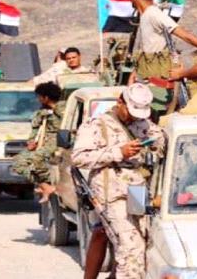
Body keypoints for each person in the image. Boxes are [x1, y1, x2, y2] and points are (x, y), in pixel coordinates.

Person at [72, 83, 167, 279]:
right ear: (120, 102)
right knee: (129, 246)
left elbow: (160, 141)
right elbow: (79, 157)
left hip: (136, 189)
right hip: (111, 192)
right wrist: (119, 152)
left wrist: (153, 143)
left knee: (140, 239)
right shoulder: (96, 125)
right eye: (131, 112)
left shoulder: (143, 123)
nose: (133, 118)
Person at [11, 82, 64, 202]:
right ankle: (45, 186)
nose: (38, 99)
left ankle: (53, 183)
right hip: (42, 142)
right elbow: (35, 129)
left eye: (39, 96)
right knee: (18, 163)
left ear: (46, 97)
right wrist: (31, 142)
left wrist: (54, 110)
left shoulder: (63, 108)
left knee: (36, 160)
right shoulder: (41, 112)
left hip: (58, 141)